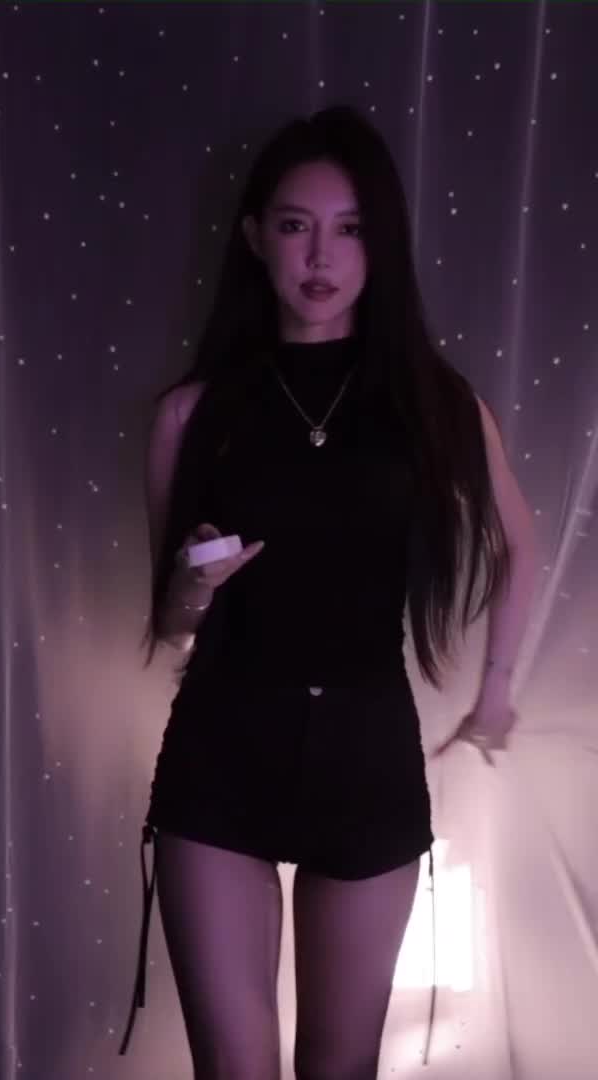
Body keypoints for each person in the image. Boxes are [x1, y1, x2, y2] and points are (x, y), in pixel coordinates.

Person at [121, 105, 538, 1080]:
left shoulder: (435, 404)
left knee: (342, 1068)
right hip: (222, 755)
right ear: (254, 237)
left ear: (380, 245)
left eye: (350, 228)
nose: (321, 255)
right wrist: (190, 585)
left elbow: (521, 546)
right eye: (296, 225)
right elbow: (173, 626)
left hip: (367, 756)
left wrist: (496, 690)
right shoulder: (190, 415)